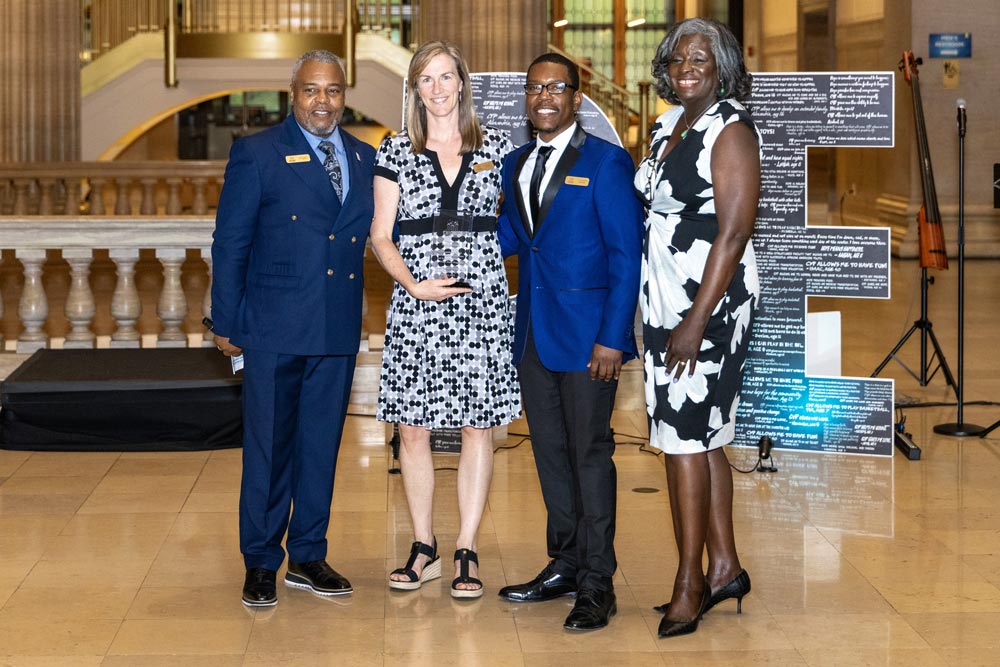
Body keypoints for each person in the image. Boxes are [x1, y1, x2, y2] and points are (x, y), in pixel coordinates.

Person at [211, 50, 376, 607]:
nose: (322, 101)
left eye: (332, 91)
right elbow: (230, 243)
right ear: (293, 93)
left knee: (320, 445)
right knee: (270, 448)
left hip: (334, 326)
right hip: (273, 325)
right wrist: (227, 320)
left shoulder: (363, 155)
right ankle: (260, 560)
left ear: (344, 95)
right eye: (311, 90)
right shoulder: (256, 153)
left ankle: (307, 554)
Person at [496, 53, 644, 631]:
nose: (545, 97)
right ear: (527, 98)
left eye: (557, 87)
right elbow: (511, 237)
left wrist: (613, 337)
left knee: (589, 454)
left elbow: (625, 256)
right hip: (532, 334)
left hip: (590, 343)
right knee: (549, 456)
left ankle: (597, 582)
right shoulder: (514, 162)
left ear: (576, 98)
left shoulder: (606, 163)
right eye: (535, 88)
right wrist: (443, 241)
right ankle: (563, 563)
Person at [370, 41, 520, 599]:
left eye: (445, 77)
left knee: (479, 427)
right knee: (413, 428)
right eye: (425, 79)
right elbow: (380, 235)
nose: (436, 88)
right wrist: (413, 283)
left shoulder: (499, 147)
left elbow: (523, 223)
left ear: (462, 83)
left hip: (481, 308)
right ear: (415, 89)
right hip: (416, 307)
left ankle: (467, 550)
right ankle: (423, 546)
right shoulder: (395, 150)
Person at [634, 18, 761, 638]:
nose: (687, 65)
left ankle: (689, 584)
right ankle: (725, 568)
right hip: (663, 303)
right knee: (700, 436)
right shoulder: (664, 126)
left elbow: (734, 233)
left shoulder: (729, 128)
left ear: (722, 65)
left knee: (683, 439)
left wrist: (694, 319)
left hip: (705, 306)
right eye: (679, 56)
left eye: (701, 58)